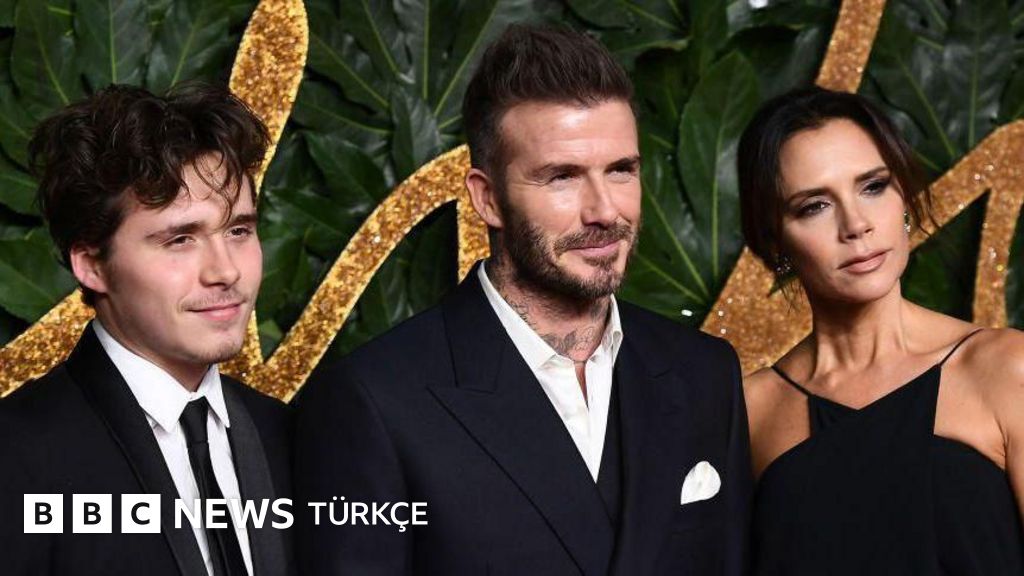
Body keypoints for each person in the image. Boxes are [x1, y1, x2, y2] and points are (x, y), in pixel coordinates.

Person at [294, 25, 751, 576]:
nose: (605, 211)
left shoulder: (705, 373)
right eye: (562, 177)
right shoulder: (374, 401)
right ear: (488, 199)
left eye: (621, 171)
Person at [0, 84, 293, 576]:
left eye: (239, 230)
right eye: (180, 239)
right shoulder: (17, 454)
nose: (226, 271)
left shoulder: (286, 433)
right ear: (92, 265)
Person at [739, 86, 1024, 575]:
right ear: (774, 239)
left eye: (873, 186)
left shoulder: (1004, 368)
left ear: (904, 198)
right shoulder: (752, 411)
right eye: (814, 206)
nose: (856, 225)